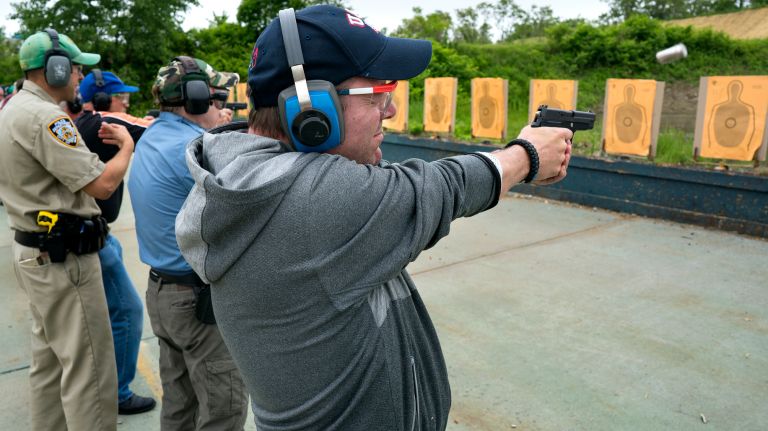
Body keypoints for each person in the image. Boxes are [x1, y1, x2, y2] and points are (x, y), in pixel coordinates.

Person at [174, 5, 572, 430]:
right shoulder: (310, 204)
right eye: (378, 93)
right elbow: (440, 188)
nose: (391, 111)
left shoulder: (251, 181)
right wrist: (527, 156)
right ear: (312, 112)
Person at [0, 29, 135, 430]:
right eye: (76, 68)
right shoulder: (47, 117)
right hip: (65, 261)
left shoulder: (12, 108)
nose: (80, 77)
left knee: (50, 365)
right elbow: (102, 184)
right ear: (55, 69)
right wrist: (126, 147)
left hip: (35, 252)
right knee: (89, 370)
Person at [127, 56, 247, 430]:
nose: (222, 107)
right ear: (195, 100)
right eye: (217, 99)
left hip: (163, 294)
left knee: (179, 405)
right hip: (197, 304)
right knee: (222, 411)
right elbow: (246, 211)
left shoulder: (152, 136)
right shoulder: (195, 149)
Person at [76, 70, 157, 415]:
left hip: (98, 231)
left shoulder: (87, 121)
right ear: (104, 99)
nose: (127, 101)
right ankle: (119, 393)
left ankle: (111, 382)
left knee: (113, 312)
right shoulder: (101, 121)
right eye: (121, 95)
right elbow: (155, 131)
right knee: (127, 310)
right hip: (92, 235)